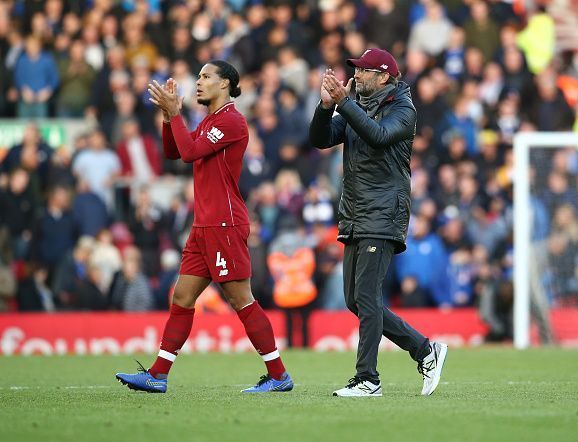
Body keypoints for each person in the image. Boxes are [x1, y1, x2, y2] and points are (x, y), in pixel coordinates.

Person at [115, 60, 293, 394]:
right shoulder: (210, 120)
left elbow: (190, 152)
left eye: (206, 76)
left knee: (241, 300)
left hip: (224, 223)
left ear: (225, 83)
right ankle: (158, 374)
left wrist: (176, 115)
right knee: (182, 296)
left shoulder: (232, 121)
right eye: (198, 76)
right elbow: (173, 150)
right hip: (204, 225)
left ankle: (279, 375)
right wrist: (170, 117)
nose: (198, 82)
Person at [309, 48, 448, 397]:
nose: (356, 75)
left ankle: (368, 378)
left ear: (384, 76)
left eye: (364, 71)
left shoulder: (404, 109)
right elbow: (320, 139)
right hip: (356, 211)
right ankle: (424, 350)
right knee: (355, 301)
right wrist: (327, 107)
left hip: (384, 211)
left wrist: (345, 103)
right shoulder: (360, 104)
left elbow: (379, 135)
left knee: (367, 297)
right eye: (355, 69)